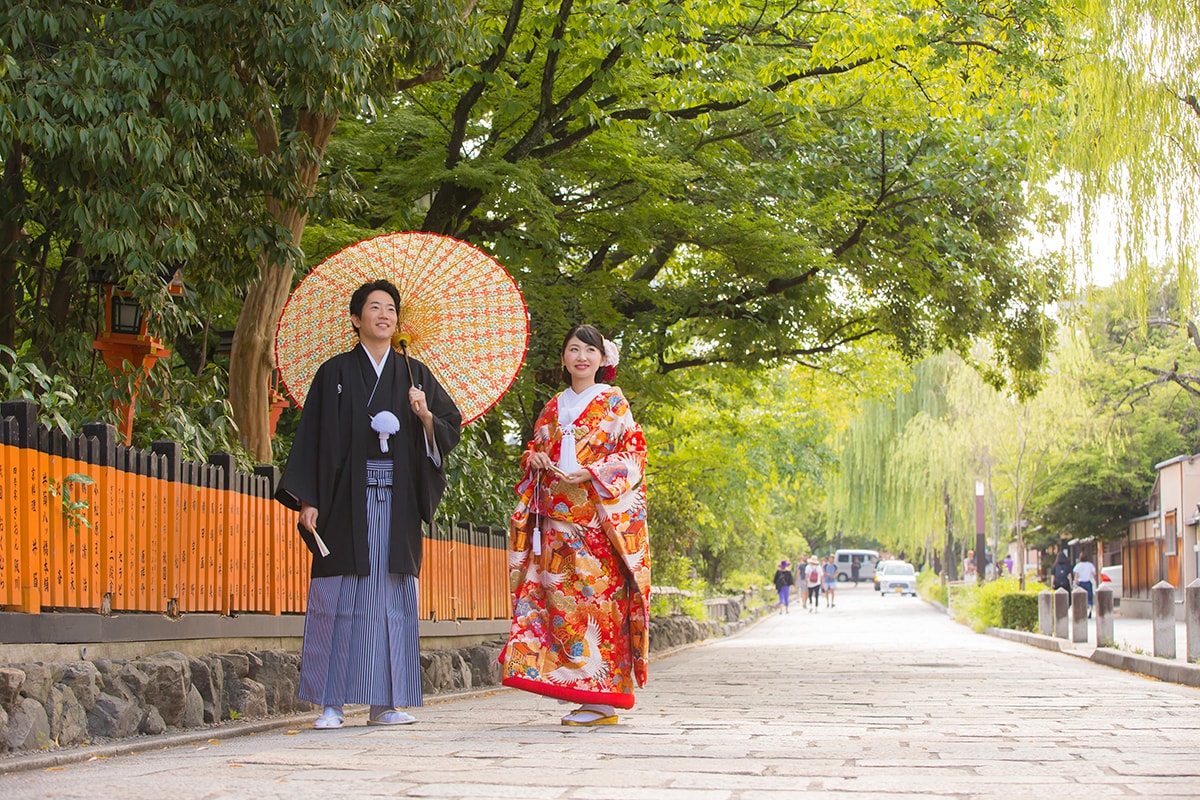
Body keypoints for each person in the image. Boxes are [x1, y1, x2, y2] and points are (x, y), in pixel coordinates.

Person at [275, 279, 462, 729]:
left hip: (395, 505)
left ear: (399, 322)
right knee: (338, 597)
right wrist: (309, 499)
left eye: (391, 309)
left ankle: (386, 704)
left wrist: (424, 416)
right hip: (344, 503)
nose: (384, 315)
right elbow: (313, 441)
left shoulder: (415, 375)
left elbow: (449, 428)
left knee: (390, 599)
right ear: (356, 319)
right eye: (374, 308)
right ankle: (331, 703)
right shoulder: (333, 374)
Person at [499, 324, 650, 727]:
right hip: (554, 526)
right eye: (573, 349)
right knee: (560, 610)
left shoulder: (614, 404)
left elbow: (633, 455)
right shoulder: (553, 405)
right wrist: (533, 459)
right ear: (563, 358)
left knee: (598, 608)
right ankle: (585, 695)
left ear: (603, 359)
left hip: (595, 528)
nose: (581, 357)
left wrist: (592, 473)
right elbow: (536, 447)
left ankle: (602, 700)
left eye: (589, 350)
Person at [1073, 551, 1098, 618]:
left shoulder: (1078, 566)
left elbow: (1076, 576)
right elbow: (1094, 573)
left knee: (1081, 598)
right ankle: (1090, 611)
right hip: (1088, 582)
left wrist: (1075, 584)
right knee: (1089, 598)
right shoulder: (1090, 565)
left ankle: (1082, 611)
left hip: (1081, 583)